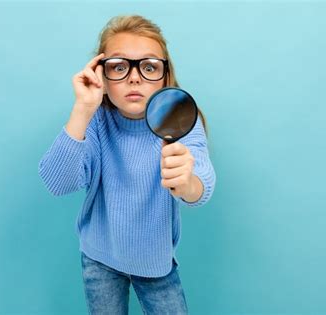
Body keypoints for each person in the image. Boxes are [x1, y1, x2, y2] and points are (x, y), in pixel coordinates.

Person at [38, 14, 216, 314]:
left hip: (155, 261)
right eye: (119, 67)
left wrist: (187, 182)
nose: (134, 77)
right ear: (101, 76)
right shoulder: (95, 121)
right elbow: (57, 183)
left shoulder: (180, 117)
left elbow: (200, 185)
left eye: (148, 67)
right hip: (100, 258)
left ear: (165, 76)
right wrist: (82, 108)